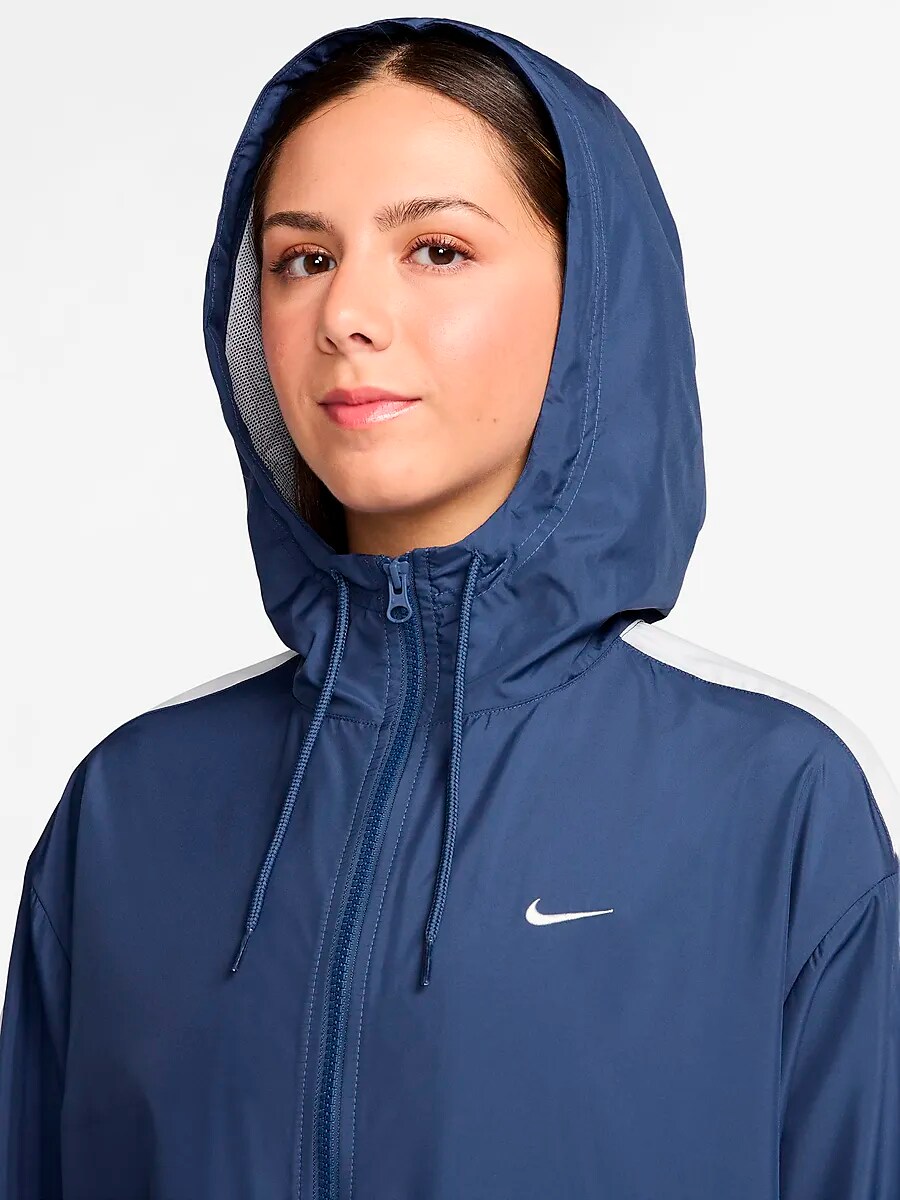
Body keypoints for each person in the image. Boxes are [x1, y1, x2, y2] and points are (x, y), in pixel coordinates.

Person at [1, 14, 897, 1198]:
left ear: (591, 301)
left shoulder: (773, 800)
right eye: (301, 259)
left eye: (436, 249)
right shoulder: (127, 808)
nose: (345, 315)